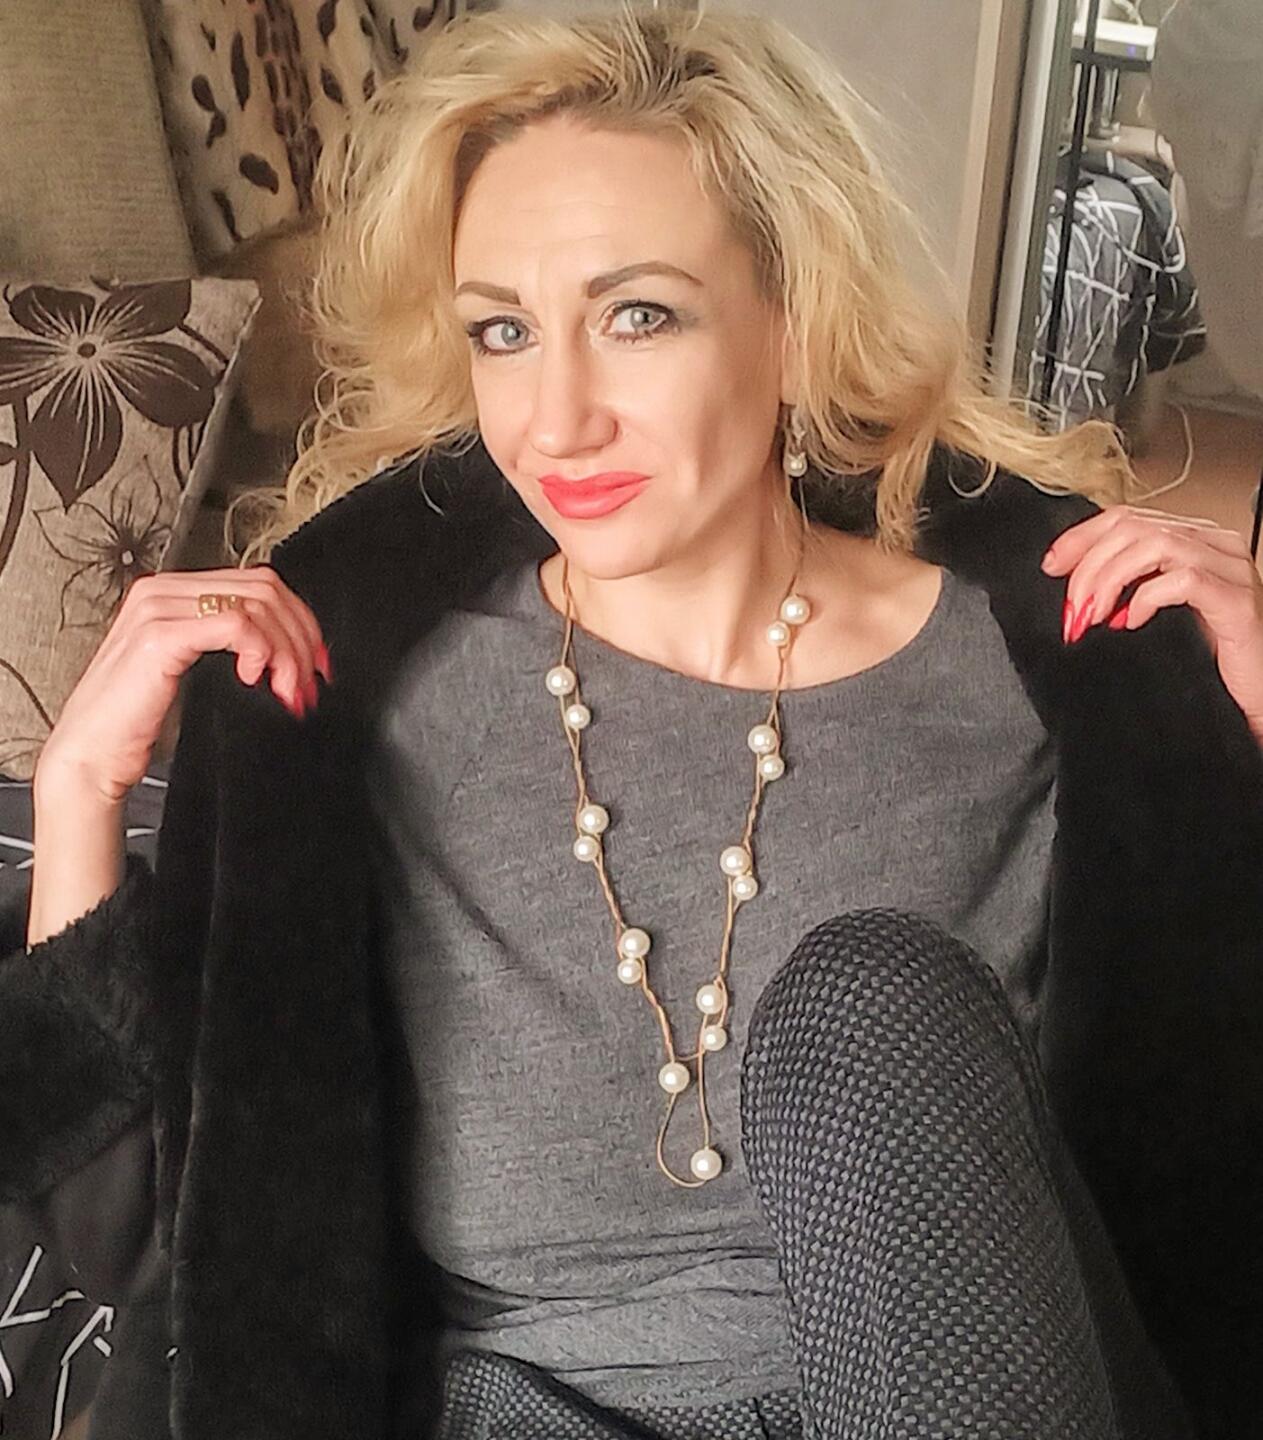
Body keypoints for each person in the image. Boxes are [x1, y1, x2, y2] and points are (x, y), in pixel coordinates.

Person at [2, 5, 1262, 1439]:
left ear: (794, 322)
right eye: (504, 332)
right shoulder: (370, 711)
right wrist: (79, 792)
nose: (558, 420)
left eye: (637, 315)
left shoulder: (1045, 681)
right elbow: (165, 1257)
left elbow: (1221, 1151)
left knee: (873, 1004)